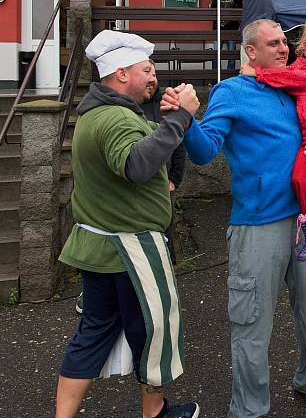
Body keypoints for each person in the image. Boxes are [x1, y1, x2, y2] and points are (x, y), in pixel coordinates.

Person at [163, 18, 306, 417]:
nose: (284, 48)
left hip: (304, 218)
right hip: (258, 225)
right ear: (250, 50)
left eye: (285, 42)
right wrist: (185, 119)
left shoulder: (294, 87)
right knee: (251, 322)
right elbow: (203, 151)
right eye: (274, 43)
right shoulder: (232, 92)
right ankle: (249, 408)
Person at [56, 30, 200, 418]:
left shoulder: (94, 113)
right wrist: (183, 116)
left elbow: (144, 150)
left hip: (99, 248)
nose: (153, 77)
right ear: (120, 73)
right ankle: (155, 413)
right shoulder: (118, 118)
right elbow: (136, 165)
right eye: (146, 69)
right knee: (154, 333)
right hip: (130, 251)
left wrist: (171, 122)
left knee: (93, 332)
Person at [239, 15, 306, 260]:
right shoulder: (300, 66)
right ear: (304, 44)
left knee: (299, 178)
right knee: (299, 178)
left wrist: (258, 73)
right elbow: (290, 73)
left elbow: (289, 79)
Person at [141, 65, 187, 262]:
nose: (151, 79)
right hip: (139, 181)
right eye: (146, 73)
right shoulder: (129, 107)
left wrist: (175, 179)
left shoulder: (166, 104)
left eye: (154, 73)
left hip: (163, 182)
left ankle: (167, 261)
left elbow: (179, 144)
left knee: (165, 228)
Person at [209, 0, 243, 69]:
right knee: (216, 54)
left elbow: (241, 13)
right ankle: (215, 76)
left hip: (231, 31)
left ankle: (230, 76)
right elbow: (212, 10)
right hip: (218, 29)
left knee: (231, 55)